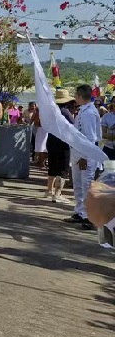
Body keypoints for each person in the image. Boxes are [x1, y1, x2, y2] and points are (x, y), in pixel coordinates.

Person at [64, 84, 101, 230]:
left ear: (80, 96)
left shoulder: (89, 113)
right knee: (78, 184)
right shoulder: (83, 111)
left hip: (86, 155)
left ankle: (89, 216)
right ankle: (80, 211)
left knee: (86, 185)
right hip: (78, 153)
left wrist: (85, 156)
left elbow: (91, 138)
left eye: (76, 95)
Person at [46, 89, 74, 203]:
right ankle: (57, 193)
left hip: (51, 140)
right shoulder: (65, 112)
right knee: (63, 169)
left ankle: (48, 190)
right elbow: (73, 125)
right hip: (62, 142)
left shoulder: (51, 111)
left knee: (52, 167)